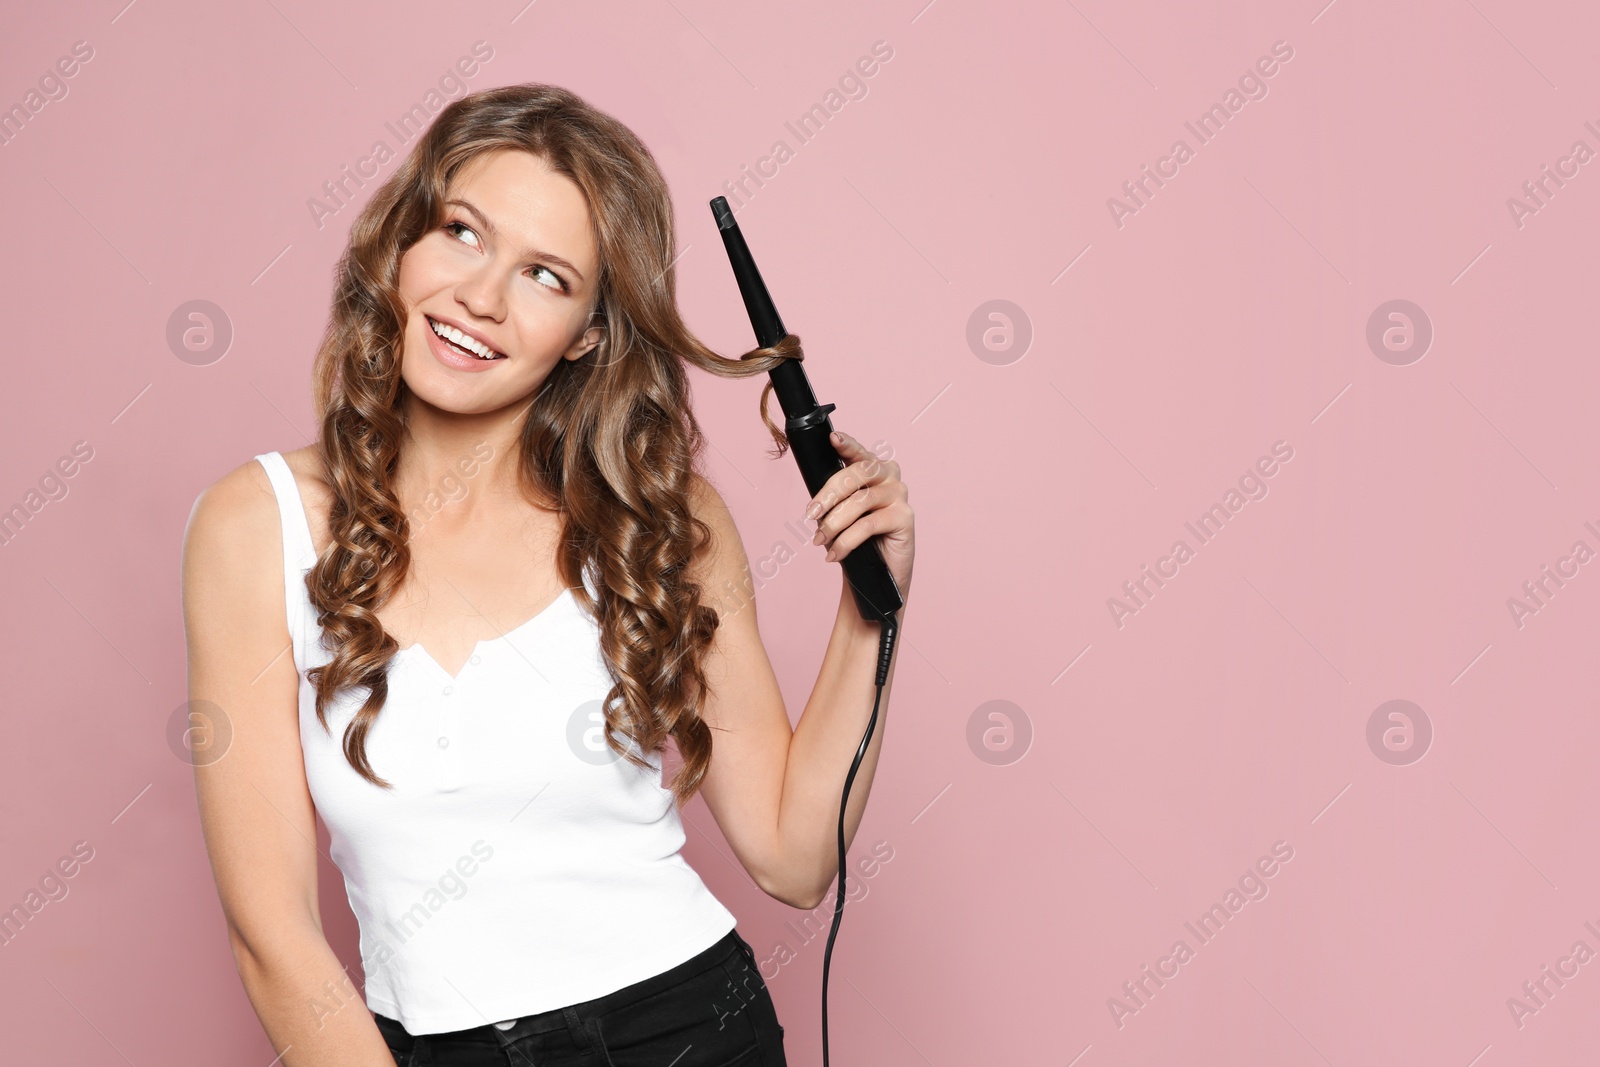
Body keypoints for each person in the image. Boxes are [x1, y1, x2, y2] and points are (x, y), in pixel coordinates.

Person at [180, 83, 914, 1067]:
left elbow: (793, 856)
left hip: (693, 1029)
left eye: (544, 275)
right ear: (402, 244)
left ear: (589, 332)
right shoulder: (253, 525)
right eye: (463, 233)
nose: (479, 297)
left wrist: (871, 610)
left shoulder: (661, 518)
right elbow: (273, 937)